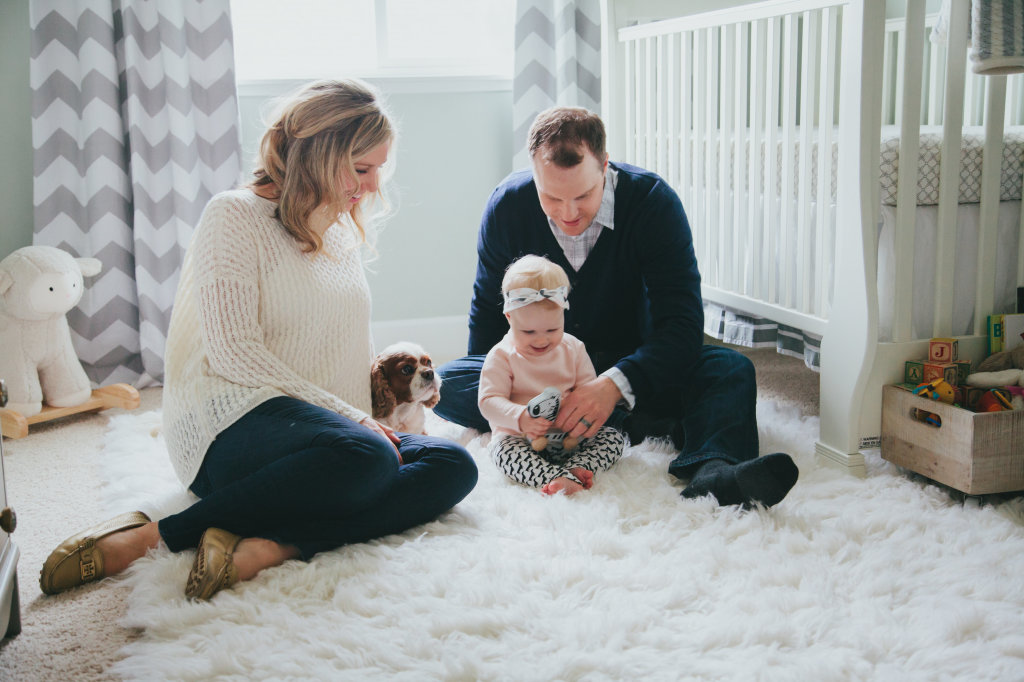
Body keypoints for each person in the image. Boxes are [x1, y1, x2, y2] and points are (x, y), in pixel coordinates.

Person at [39, 79, 478, 601]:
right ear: (318, 155)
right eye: (362, 168)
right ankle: (154, 536)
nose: (373, 185)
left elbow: (341, 340)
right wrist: (356, 421)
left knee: (453, 465)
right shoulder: (233, 215)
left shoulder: (337, 226)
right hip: (235, 423)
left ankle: (275, 546)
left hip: (324, 434)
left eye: (380, 168)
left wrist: (376, 415)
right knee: (369, 459)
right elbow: (236, 353)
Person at [435, 106, 798, 508]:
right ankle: (629, 424)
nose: (568, 213)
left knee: (729, 370)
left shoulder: (653, 203)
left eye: (583, 195)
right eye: (552, 196)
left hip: (632, 368)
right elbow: (487, 310)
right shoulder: (508, 206)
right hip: (536, 378)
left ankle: (714, 470)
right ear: (533, 173)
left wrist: (611, 387)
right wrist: (504, 393)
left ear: (605, 167)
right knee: (448, 381)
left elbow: (681, 324)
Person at [479, 254, 626, 496]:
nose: (541, 339)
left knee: (613, 438)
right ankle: (553, 477)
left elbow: (589, 393)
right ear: (509, 318)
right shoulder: (502, 355)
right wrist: (520, 417)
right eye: (528, 331)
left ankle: (578, 467)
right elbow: (488, 402)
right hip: (521, 438)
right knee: (503, 451)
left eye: (552, 329)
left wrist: (580, 421)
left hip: (570, 438)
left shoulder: (574, 349)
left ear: (563, 315)